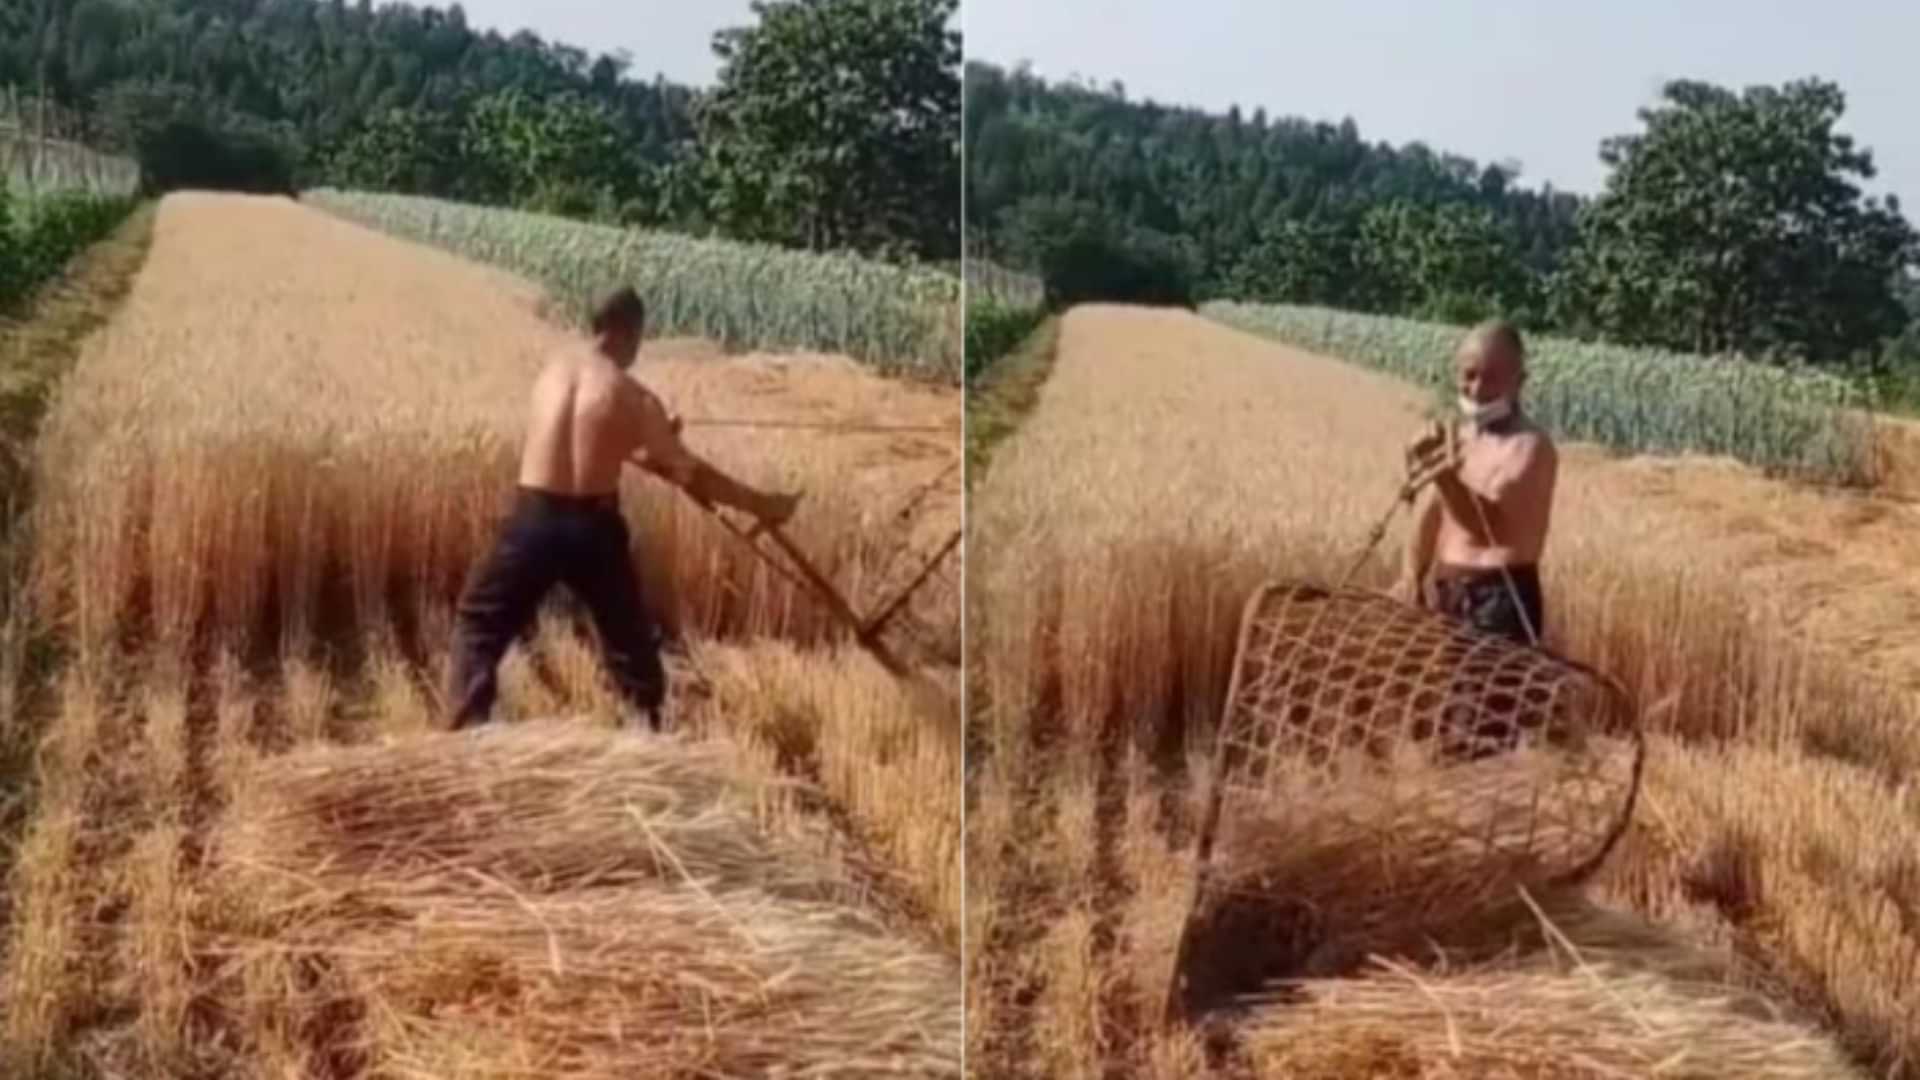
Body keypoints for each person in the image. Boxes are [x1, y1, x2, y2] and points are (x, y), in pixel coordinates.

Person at [446, 285, 799, 732]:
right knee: (628, 643)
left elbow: (584, 438)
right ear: (624, 331)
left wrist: (647, 439)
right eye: (638, 337)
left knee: (479, 623)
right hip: (592, 529)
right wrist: (760, 503)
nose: (637, 349)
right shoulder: (634, 397)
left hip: (532, 518)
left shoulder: (552, 371)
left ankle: (464, 728)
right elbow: (689, 473)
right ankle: (646, 733)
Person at [1395, 319, 1559, 647]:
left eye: (1493, 378)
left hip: (1500, 600)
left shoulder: (1530, 446)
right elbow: (1430, 513)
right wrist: (1411, 576)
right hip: (1448, 594)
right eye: (1470, 375)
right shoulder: (1458, 438)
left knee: (1485, 698)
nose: (1479, 389)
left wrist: (1439, 470)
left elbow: (1487, 528)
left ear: (1519, 382)